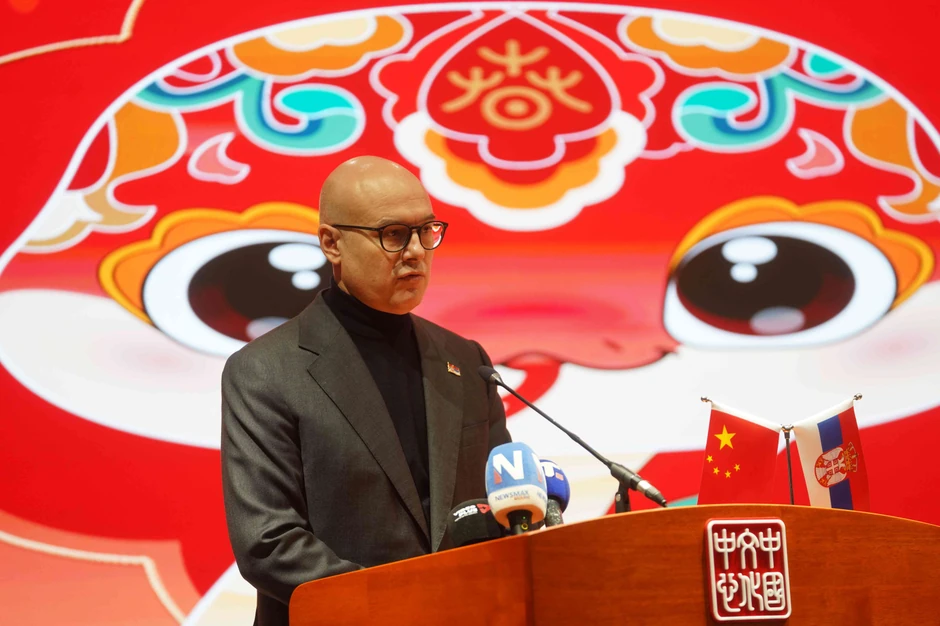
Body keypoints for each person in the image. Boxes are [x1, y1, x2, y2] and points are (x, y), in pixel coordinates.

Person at [221, 156, 511, 626]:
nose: (415, 251)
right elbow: (268, 541)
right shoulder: (265, 371)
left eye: (427, 231)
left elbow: (503, 506)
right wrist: (400, 610)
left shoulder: (465, 359)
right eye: (393, 234)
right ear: (331, 243)